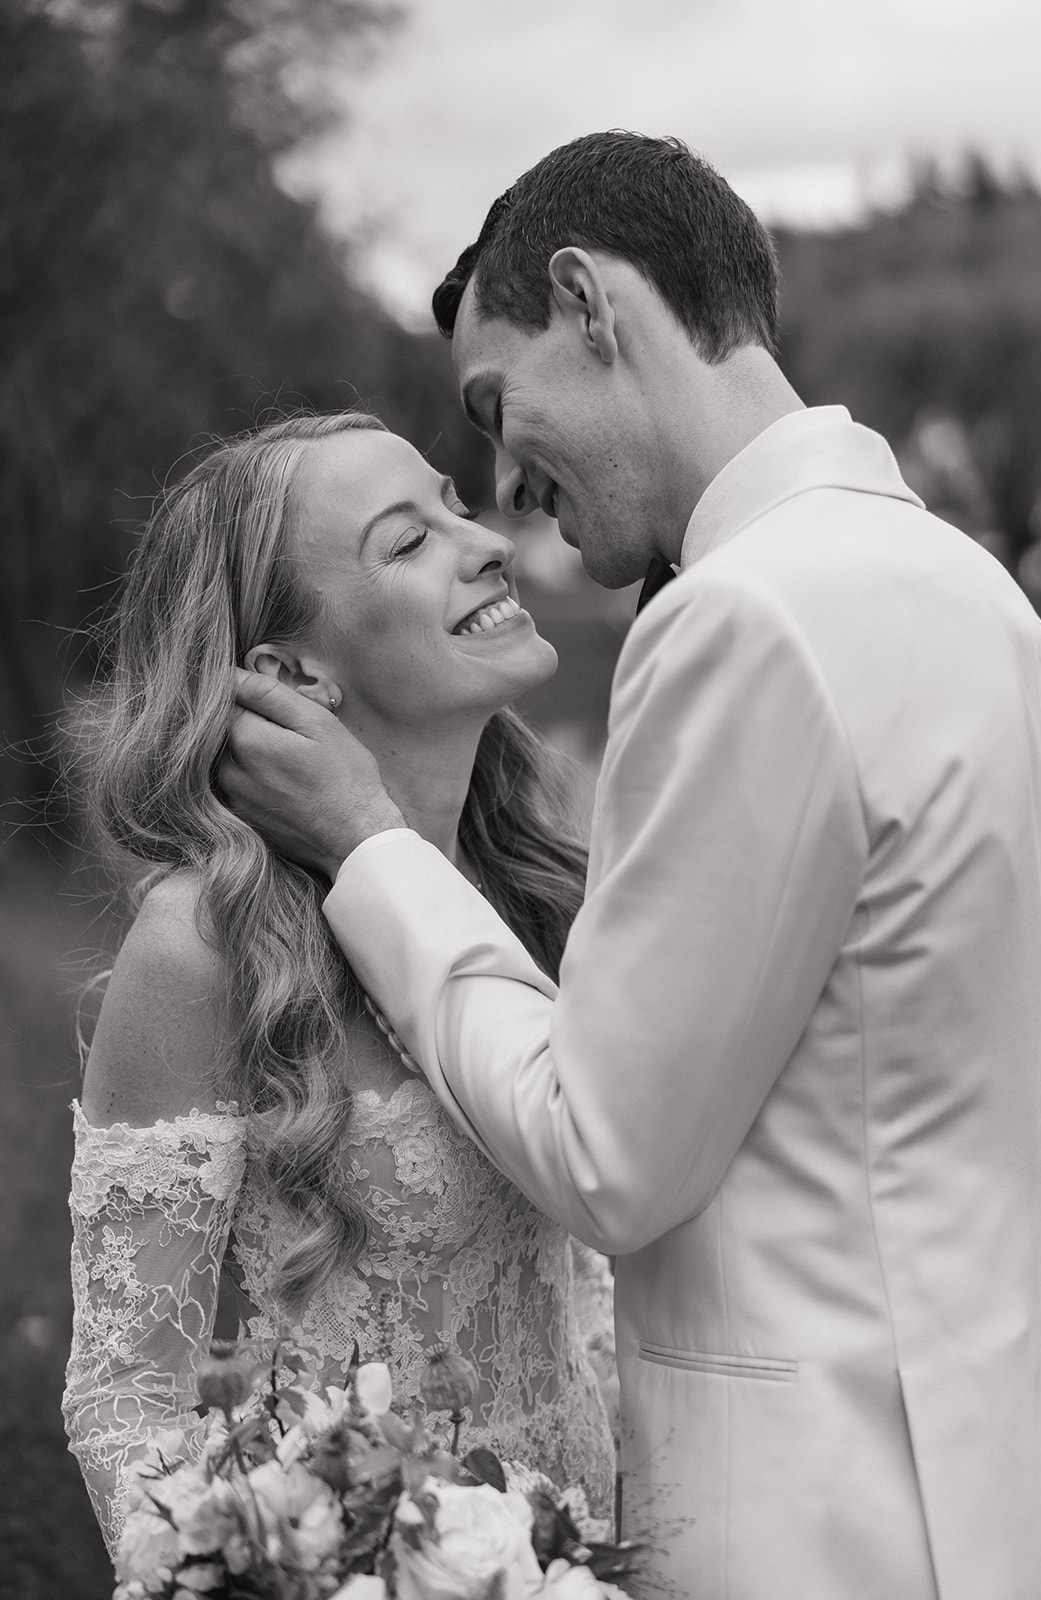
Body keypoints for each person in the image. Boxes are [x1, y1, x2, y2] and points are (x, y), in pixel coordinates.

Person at [221, 133, 1041, 1600]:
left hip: (803, 1532)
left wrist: (365, 843)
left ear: (589, 304)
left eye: (496, 405)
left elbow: (607, 1157)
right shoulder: (975, 596)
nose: (504, 484)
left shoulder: (742, 617)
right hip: (986, 1500)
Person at [61, 410, 617, 1559]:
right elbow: (126, 1405)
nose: (490, 542)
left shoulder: (548, 885)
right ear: (287, 673)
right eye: (405, 542)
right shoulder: (203, 948)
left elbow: (594, 1290)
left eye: (456, 507)